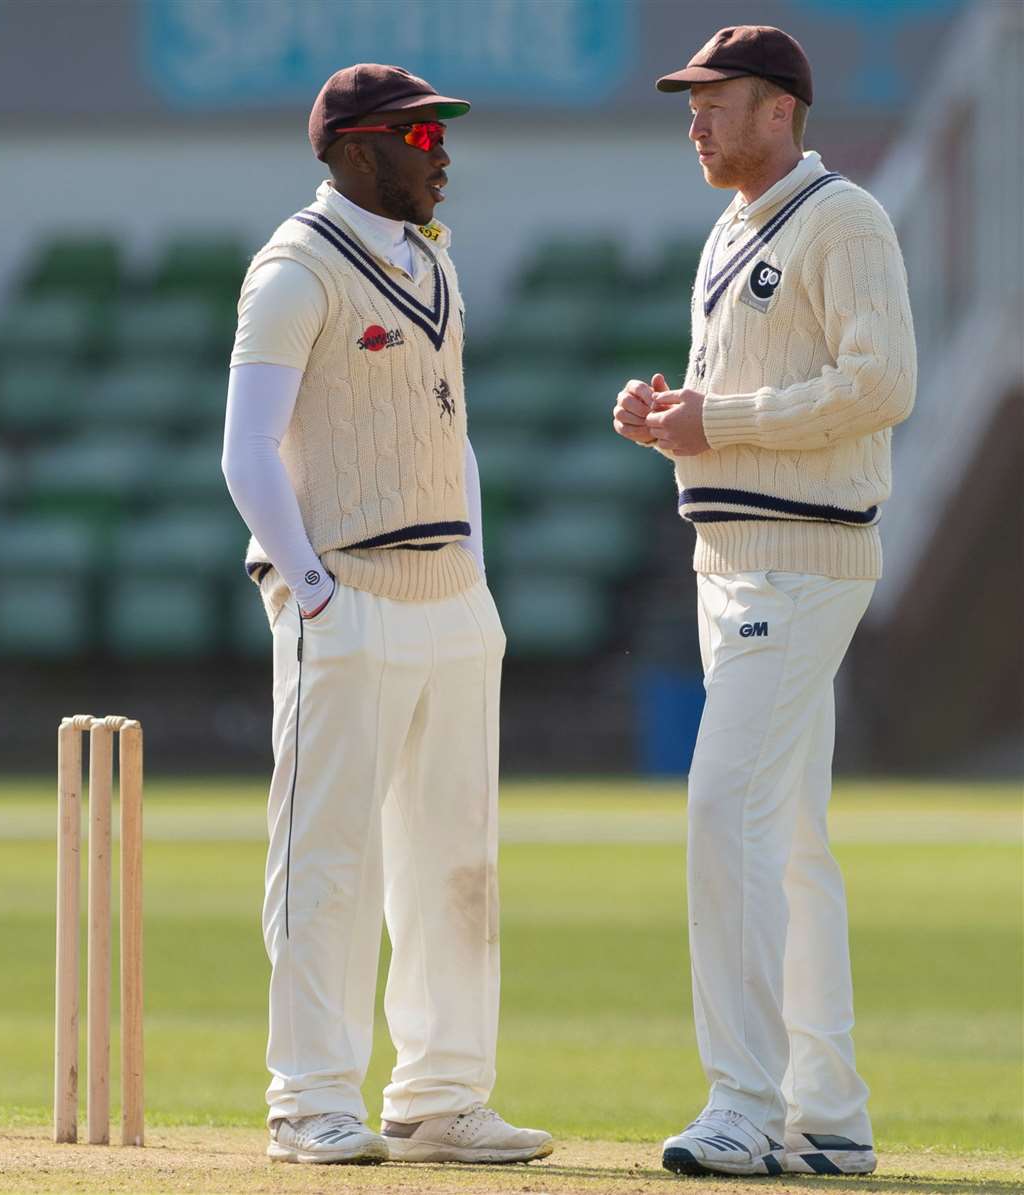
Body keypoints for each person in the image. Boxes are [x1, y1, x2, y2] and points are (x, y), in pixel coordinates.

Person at [222, 63, 552, 1167]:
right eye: (420, 139)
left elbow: (450, 434)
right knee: (329, 861)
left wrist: (476, 570)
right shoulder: (294, 269)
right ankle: (311, 1097)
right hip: (347, 593)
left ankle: (442, 1095)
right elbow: (247, 447)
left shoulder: (436, 265)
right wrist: (311, 582)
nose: (441, 154)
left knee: (456, 856)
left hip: (451, 598)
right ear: (356, 149)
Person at [613, 26, 916, 1179]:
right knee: (787, 840)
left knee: (723, 810)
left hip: (800, 562)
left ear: (781, 109)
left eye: (717, 103)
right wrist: (671, 416)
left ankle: (743, 1100)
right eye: (689, 103)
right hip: (730, 555)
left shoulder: (845, 219)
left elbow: (882, 383)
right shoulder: (732, 226)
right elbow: (743, 403)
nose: (694, 122)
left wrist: (719, 423)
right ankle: (828, 1113)